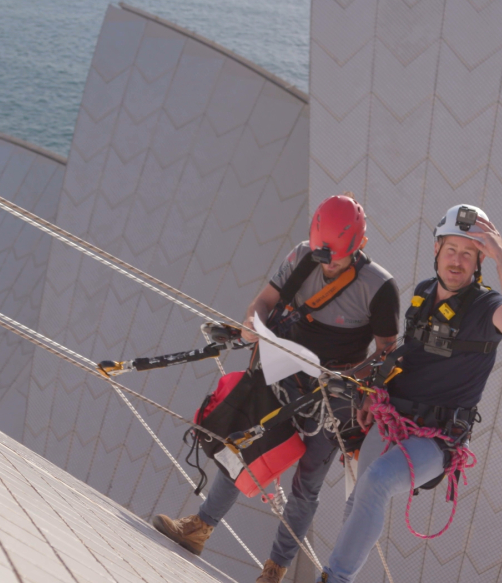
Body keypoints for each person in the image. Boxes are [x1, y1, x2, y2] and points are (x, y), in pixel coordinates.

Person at [152, 194, 400, 583]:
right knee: (243, 448)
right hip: (284, 376)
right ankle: (200, 527)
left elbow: (387, 352)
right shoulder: (302, 256)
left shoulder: (379, 287)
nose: (328, 264)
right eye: (322, 255)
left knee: (306, 486)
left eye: (337, 259)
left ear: (360, 245)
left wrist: (352, 376)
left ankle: (274, 570)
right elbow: (264, 302)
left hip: (332, 395)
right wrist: (255, 326)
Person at [317, 204, 502, 583]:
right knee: (359, 495)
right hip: (391, 419)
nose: (457, 261)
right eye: (451, 249)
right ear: (437, 249)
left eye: (468, 253)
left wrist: (501, 255)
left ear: (480, 261)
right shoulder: (423, 293)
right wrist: (373, 391)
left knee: (377, 481)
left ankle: (334, 578)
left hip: (436, 440)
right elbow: (409, 355)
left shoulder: (485, 308)